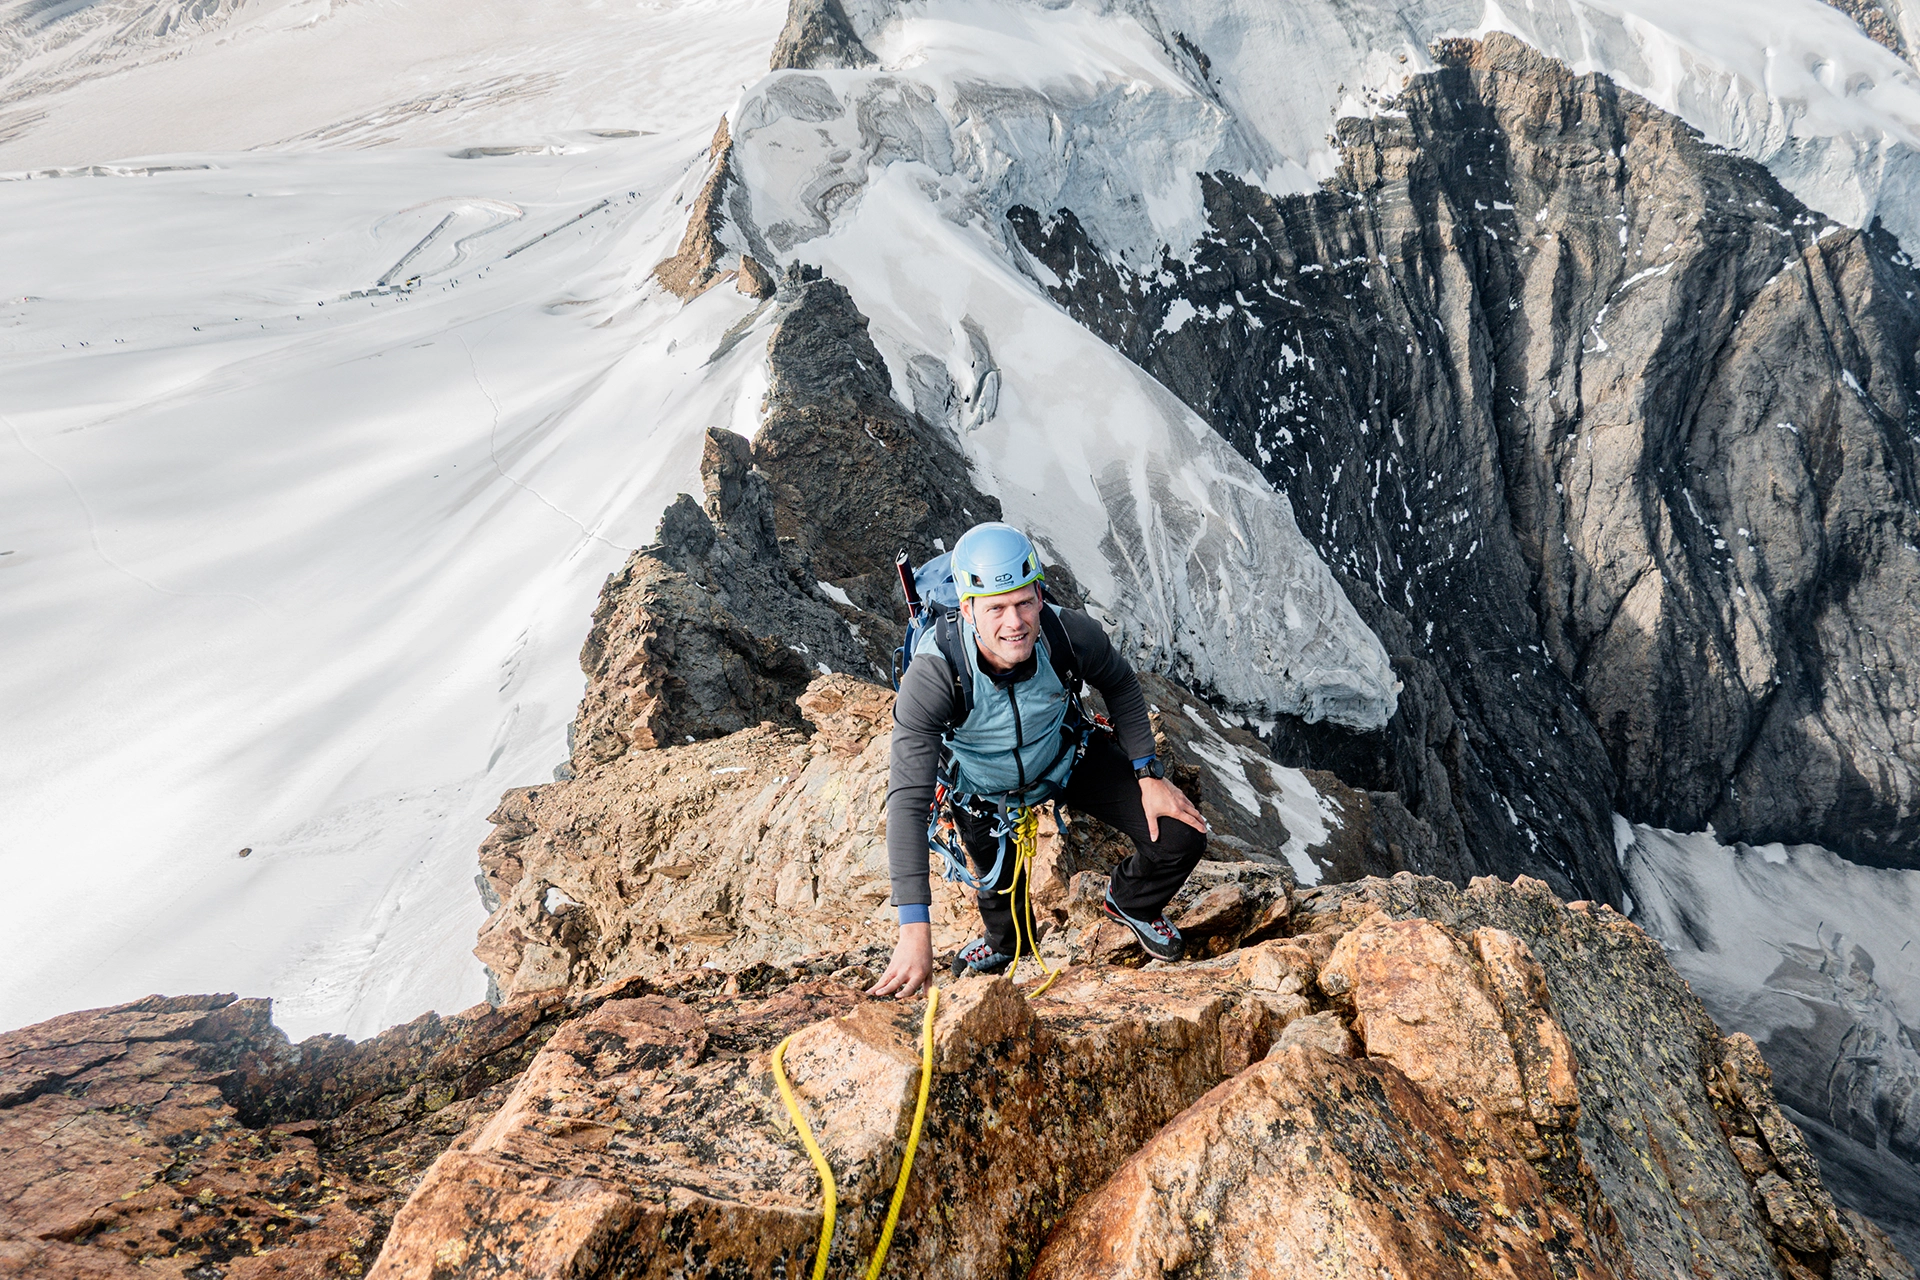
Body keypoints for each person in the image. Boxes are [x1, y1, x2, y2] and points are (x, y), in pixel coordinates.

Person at [869, 522, 1209, 999]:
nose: (1015, 623)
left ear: (1040, 595)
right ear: (967, 610)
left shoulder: (1067, 636)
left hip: (1066, 757)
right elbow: (907, 801)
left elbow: (1121, 684)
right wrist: (913, 930)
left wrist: (1147, 773)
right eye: (997, 608)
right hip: (982, 788)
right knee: (1001, 896)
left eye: (1025, 602)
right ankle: (1006, 945)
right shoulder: (935, 674)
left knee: (1181, 835)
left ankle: (1131, 901)